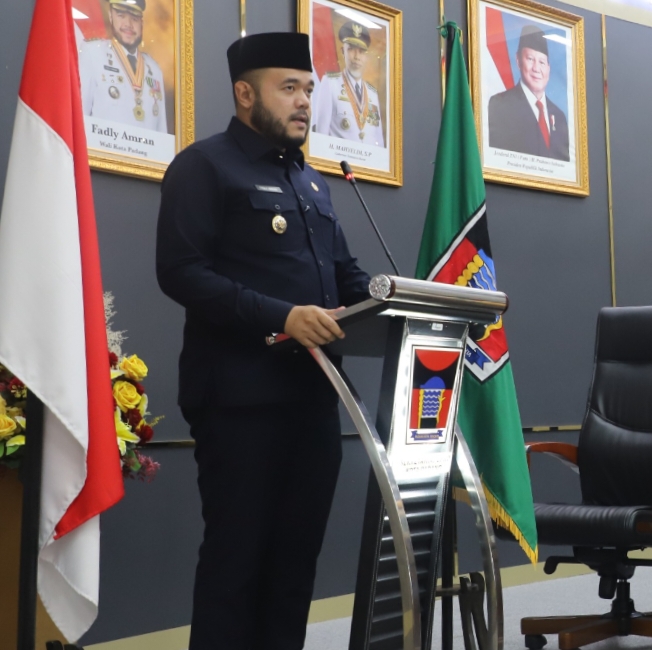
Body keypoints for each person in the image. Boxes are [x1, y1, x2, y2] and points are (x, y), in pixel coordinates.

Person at [155, 33, 371, 650]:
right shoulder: (204, 166)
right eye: (289, 88)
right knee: (237, 565)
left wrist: (400, 297)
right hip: (240, 402)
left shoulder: (312, 183)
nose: (304, 101)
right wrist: (283, 317)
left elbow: (346, 276)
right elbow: (181, 272)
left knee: (294, 568)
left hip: (315, 399)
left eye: (309, 89)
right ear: (245, 94)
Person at [79, 0, 168, 132]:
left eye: (134, 18)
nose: (128, 24)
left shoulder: (154, 69)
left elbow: (161, 131)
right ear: (111, 16)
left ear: (141, 23)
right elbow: (81, 116)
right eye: (121, 16)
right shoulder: (93, 54)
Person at [487, 25, 571, 161]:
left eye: (542, 62)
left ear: (548, 68)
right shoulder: (500, 105)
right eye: (530, 59)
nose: (536, 68)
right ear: (518, 61)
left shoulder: (559, 117)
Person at [312, 21, 384, 146]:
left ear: (366, 56)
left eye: (361, 51)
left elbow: (379, 140)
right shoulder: (330, 84)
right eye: (351, 49)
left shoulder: (372, 93)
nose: (357, 57)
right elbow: (321, 136)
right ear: (343, 51)